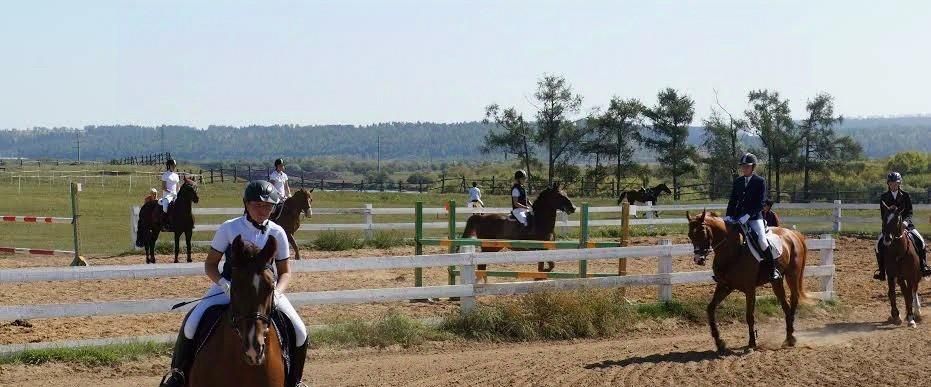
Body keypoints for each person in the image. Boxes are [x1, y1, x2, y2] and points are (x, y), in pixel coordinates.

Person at [159, 181, 308, 387]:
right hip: (229, 287)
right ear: (246, 204)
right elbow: (211, 264)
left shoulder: (278, 232)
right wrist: (222, 284)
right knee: (192, 323)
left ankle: (295, 381)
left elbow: (285, 272)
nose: (263, 210)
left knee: (300, 331)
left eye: (268, 206)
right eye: (257, 205)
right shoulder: (229, 228)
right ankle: (178, 376)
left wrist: (277, 292)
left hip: (264, 292)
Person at [724, 153, 780, 281]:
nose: (744, 169)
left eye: (747, 166)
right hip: (737, 217)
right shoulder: (738, 181)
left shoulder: (759, 181)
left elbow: (760, 203)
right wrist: (728, 216)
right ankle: (725, 271)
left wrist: (748, 215)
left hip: (755, 218)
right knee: (727, 239)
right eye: (743, 166)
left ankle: (773, 270)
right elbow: (732, 200)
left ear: (753, 167)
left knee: (762, 241)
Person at [874, 171, 930, 280]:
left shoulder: (905, 195)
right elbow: (883, 215)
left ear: (899, 184)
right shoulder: (884, 197)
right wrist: (889, 226)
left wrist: (905, 222)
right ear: (888, 184)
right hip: (889, 227)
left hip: (906, 225)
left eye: (896, 183)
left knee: (921, 242)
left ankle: (923, 266)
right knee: (877, 245)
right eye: (891, 183)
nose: (893, 185)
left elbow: (909, 212)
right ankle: (881, 271)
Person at [158, 159, 180, 230]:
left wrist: (177, 193)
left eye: (175, 166)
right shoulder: (165, 175)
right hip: (167, 195)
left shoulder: (176, 175)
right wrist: (170, 192)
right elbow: (163, 187)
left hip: (175, 194)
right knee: (165, 205)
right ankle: (164, 223)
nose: (174, 167)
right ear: (169, 165)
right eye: (173, 165)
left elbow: (178, 186)